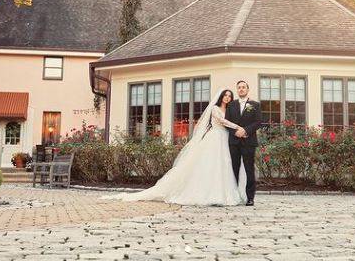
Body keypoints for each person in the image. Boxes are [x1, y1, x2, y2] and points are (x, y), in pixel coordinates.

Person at [102, 88, 248, 206]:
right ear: (221, 97)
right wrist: (239, 127)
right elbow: (222, 122)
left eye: (230, 96)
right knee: (210, 165)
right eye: (225, 95)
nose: (227, 98)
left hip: (224, 139)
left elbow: (230, 121)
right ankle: (207, 193)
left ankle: (223, 194)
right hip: (214, 138)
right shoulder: (215, 109)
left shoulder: (230, 110)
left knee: (222, 166)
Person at [225, 80, 262, 206]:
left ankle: (250, 198)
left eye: (243, 87)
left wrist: (245, 131)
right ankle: (234, 196)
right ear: (237, 90)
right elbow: (226, 122)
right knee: (233, 169)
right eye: (239, 87)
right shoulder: (231, 105)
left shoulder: (255, 105)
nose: (241, 89)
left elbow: (258, 122)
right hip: (234, 142)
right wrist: (235, 131)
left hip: (249, 141)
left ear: (247, 89)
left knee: (249, 170)